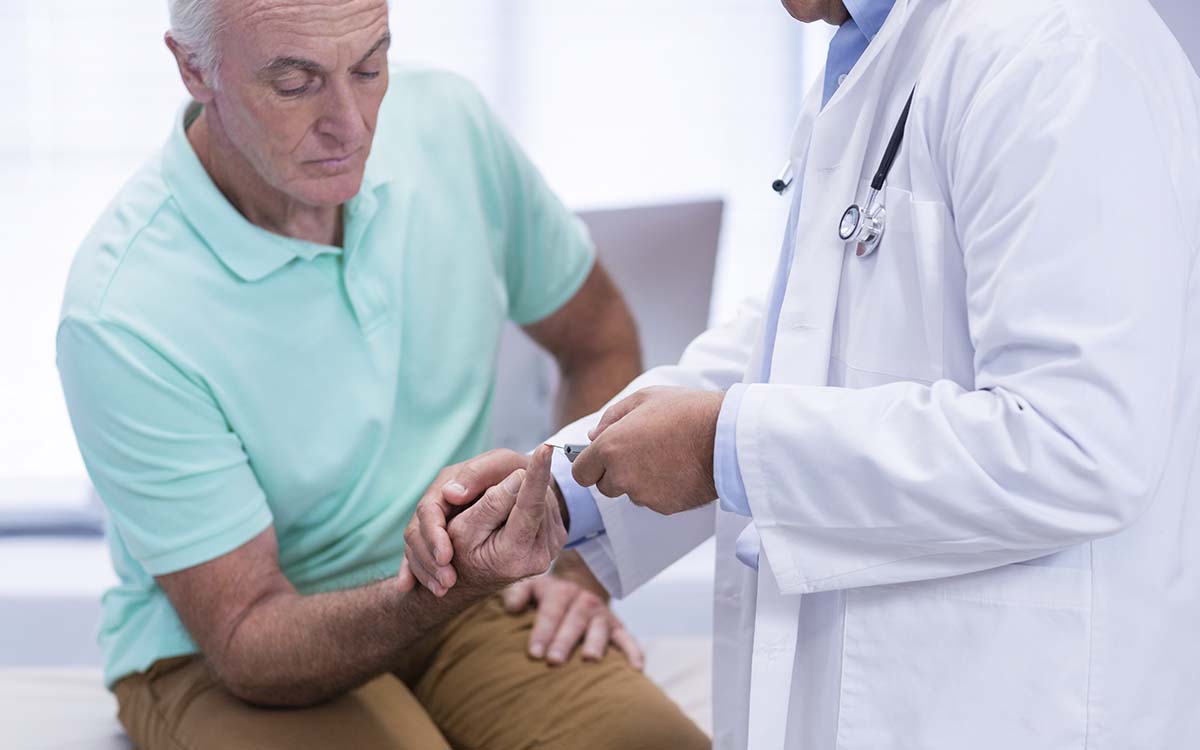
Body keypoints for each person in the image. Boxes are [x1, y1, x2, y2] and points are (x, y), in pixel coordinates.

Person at [401, 0, 1200, 747]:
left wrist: (722, 447)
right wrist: (563, 487)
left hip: (1013, 701)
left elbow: (1076, 445)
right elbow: (794, 343)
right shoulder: (869, 51)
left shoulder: (1061, 53)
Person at [56, 0, 711, 748]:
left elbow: (596, 338)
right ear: (194, 69)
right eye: (296, 83)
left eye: (370, 67)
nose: (353, 125)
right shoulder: (124, 310)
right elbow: (247, 640)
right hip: (231, 652)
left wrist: (580, 568)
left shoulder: (450, 126)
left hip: (455, 598)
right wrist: (450, 582)